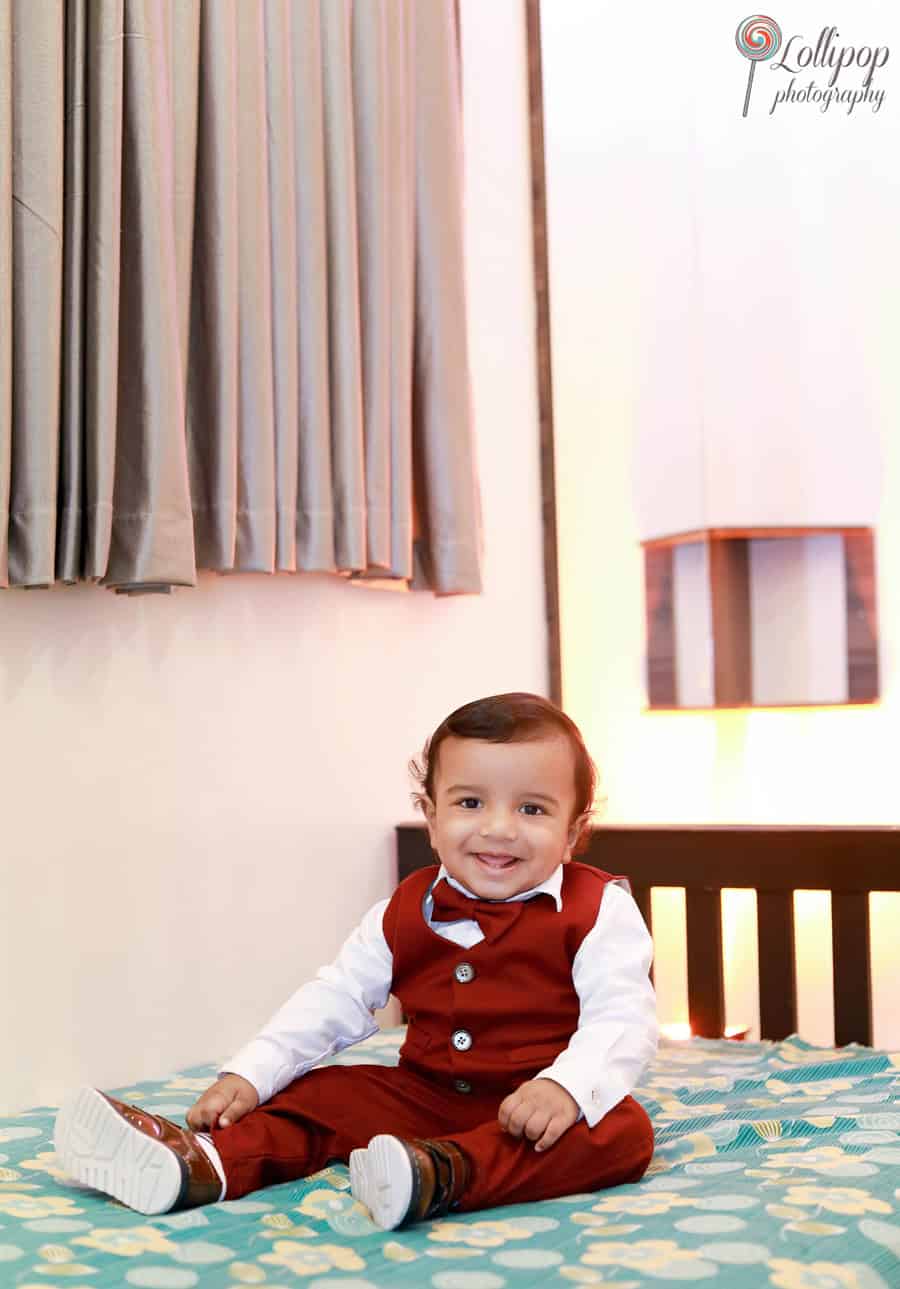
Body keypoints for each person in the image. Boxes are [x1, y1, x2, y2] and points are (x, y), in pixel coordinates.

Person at [54, 692, 658, 1229]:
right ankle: (201, 1164)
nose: (498, 829)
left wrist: (565, 1087)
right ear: (431, 814)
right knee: (322, 1093)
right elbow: (337, 997)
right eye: (470, 802)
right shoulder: (404, 906)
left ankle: (439, 1176)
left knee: (622, 1133)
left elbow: (621, 1018)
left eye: (532, 810)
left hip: (535, 1108)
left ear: (575, 831)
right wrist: (249, 1072)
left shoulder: (600, 908)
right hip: (423, 1095)